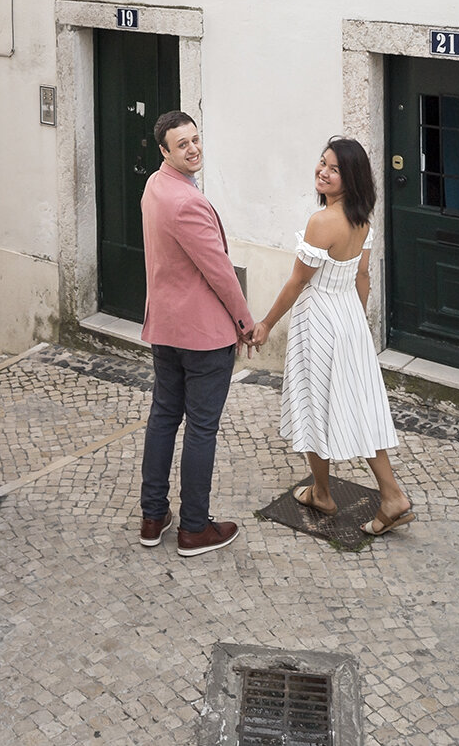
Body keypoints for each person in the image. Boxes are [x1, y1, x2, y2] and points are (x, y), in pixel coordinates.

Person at [251, 137, 413, 538]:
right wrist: (354, 324)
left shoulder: (322, 222)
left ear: (350, 178)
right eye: (322, 163)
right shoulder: (363, 221)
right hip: (349, 320)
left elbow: (296, 282)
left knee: (312, 402)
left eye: (334, 169)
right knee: (360, 405)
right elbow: (363, 279)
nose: (323, 172)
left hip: (318, 319)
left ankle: (325, 493)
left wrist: (267, 324)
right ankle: (387, 495)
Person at [138, 109, 257, 558]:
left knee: (164, 417)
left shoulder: (155, 186)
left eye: (195, 139)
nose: (193, 149)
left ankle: (153, 518)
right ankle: (193, 528)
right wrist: (245, 323)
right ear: (165, 150)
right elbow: (220, 272)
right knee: (201, 428)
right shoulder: (187, 202)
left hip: (165, 327)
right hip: (203, 336)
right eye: (182, 144)